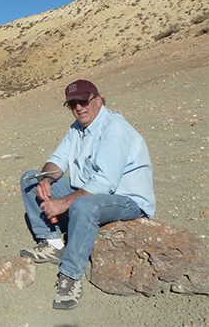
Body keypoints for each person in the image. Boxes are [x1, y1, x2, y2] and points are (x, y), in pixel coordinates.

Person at [19, 79, 155, 310]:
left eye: (83, 101)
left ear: (98, 100)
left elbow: (106, 182)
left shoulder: (114, 129)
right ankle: (52, 243)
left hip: (127, 199)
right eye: (73, 104)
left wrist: (63, 203)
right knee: (30, 180)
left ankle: (71, 276)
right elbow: (58, 160)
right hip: (90, 188)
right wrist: (46, 179)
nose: (79, 108)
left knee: (83, 206)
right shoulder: (78, 128)